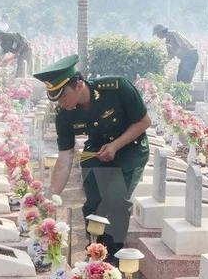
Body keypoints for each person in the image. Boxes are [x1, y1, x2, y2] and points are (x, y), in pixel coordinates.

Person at [32, 54, 151, 265]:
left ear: (78, 85)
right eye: (56, 99)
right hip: (97, 150)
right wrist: (51, 199)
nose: (61, 102)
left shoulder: (116, 88)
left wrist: (115, 145)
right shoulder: (65, 115)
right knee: (94, 205)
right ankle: (96, 254)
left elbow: (143, 121)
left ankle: (113, 261)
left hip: (130, 147)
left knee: (116, 200)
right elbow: (65, 158)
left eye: (63, 96)